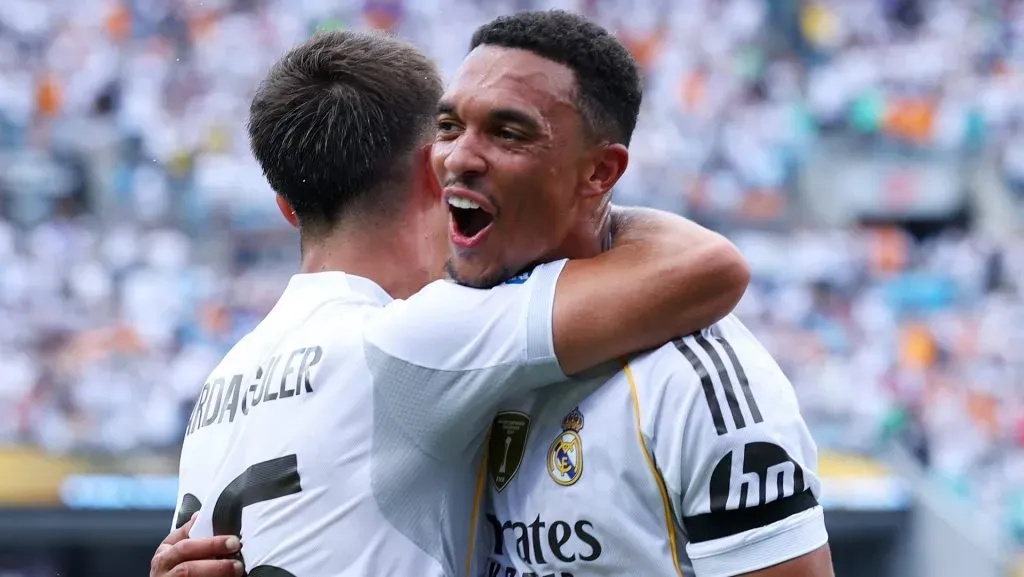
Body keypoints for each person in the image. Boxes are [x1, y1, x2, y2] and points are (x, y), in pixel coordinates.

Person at [153, 27, 748, 577]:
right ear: (433, 173)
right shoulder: (414, 339)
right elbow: (709, 268)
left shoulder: (221, 382)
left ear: (285, 206)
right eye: (449, 134)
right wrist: (574, 194)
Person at [436, 12, 832, 576]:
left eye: (507, 132)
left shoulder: (696, 384)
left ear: (599, 173)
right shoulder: (437, 333)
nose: (458, 157)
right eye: (449, 126)